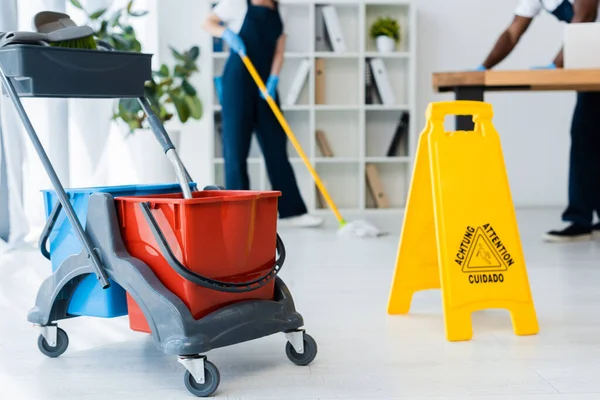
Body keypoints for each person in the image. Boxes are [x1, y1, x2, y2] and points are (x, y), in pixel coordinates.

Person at [476, 0, 600, 242]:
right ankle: (582, 219)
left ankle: (580, 219)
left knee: (586, 136)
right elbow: (512, 33)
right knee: (586, 136)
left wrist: (556, 64)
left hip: (593, 60)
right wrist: (483, 67)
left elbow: (585, 17)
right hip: (592, 62)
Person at [202, 0, 323, 228]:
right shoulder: (237, 5)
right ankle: (239, 213)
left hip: (265, 86)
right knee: (236, 149)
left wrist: (273, 79)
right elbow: (207, 23)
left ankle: (293, 211)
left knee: (276, 146)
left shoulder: (281, 11)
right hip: (237, 82)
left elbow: (279, 50)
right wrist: (226, 33)